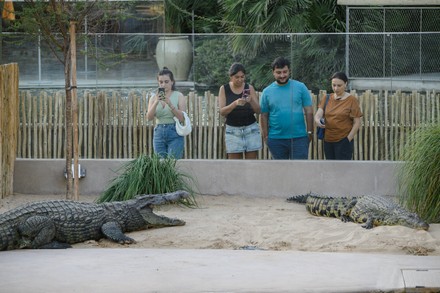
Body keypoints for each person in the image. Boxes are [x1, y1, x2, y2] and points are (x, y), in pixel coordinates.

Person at [259, 57, 314, 160]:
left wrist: (310, 132)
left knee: (299, 171)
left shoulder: (301, 87)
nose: (282, 75)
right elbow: (264, 115)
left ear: (289, 71)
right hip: (276, 139)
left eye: (285, 72)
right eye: (278, 72)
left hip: (299, 138)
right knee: (280, 173)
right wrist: (266, 136)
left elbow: (309, 111)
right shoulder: (267, 92)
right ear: (273, 73)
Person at [314, 72, 363, 160]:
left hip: (343, 140)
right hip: (328, 140)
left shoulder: (352, 100)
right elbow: (318, 114)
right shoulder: (327, 98)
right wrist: (317, 120)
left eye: (339, 85)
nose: (336, 88)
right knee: (331, 169)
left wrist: (348, 139)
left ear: (346, 84)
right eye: (334, 85)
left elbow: (357, 122)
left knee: (343, 170)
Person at [218, 63, 262, 159]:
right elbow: (222, 112)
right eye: (237, 77)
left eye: (242, 77)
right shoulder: (224, 89)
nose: (240, 80)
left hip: (250, 128)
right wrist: (235, 104)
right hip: (233, 130)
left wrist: (251, 101)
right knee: (235, 165)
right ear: (231, 77)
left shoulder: (249, 87)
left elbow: (258, 110)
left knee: (251, 164)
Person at [147, 67, 187, 159]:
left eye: (166, 81)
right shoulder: (153, 98)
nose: (163, 85)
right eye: (161, 82)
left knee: (173, 163)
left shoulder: (179, 95)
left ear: (172, 82)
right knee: (159, 165)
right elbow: (149, 118)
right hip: (159, 132)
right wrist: (156, 102)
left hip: (174, 132)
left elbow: (182, 118)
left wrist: (170, 104)